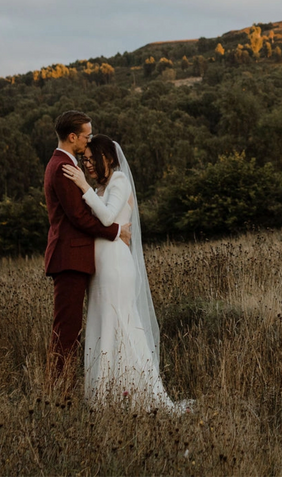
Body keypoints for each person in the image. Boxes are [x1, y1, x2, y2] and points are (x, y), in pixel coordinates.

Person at [61, 134, 189, 411]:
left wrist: (82, 185)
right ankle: (105, 396)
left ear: (107, 158)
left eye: (91, 160)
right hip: (101, 268)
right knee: (102, 323)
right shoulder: (97, 191)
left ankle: (135, 394)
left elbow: (107, 217)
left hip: (116, 267)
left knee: (120, 323)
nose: (87, 166)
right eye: (84, 161)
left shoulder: (119, 181)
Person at [43, 111, 130, 387]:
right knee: (66, 330)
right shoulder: (62, 167)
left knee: (70, 328)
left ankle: (64, 386)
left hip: (76, 258)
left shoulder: (66, 165)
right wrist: (116, 231)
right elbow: (79, 216)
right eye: (86, 136)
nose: (88, 140)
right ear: (72, 137)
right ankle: (58, 390)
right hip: (69, 258)